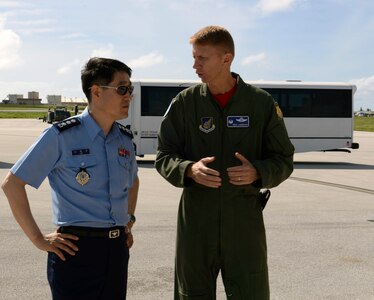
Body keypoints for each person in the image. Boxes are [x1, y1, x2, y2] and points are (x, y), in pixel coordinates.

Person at [155, 26, 294, 299]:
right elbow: (164, 155)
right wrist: (189, 169)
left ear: (226, 58)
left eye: (201, 58)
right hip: (196, 223)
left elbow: (284, 159)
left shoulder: (260, 104)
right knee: (191, 293)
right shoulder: (185, 103)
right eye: (194, 58)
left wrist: (258, 172)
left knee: (250, 292)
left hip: (244, 222)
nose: (195, 65)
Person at [1, 57, 139, 300]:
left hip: (116, 251)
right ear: (96, 91)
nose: (128, 96)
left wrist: (128, 220)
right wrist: (38, 239)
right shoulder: (61, 136)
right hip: (75, 250)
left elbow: (133, 181)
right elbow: (12, 184)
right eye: (122, 88)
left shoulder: (124, 139)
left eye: (130, 89)